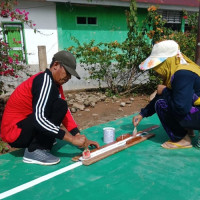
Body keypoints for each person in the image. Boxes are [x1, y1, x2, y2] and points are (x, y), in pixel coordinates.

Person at [0, 50, 99, 165]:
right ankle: (34, 150)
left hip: (24, 127)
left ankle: (42, 140)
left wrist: (78, 136)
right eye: (67, 72)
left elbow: (64, 112)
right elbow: (39, 119)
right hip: (14, 133)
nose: (69, 77)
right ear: (56, 65)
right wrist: (71, 139)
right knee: (58, 106)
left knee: (61, 105)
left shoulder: (55, 84)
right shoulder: (44, 81)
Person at [132, 40, 200, 149]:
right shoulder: (179, 69)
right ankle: (188, 130)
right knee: (172, 97)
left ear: (166, 61)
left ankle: (181, 139)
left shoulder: (182, 74)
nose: (156, 70)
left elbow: (181, 107)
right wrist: (142, 114)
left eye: (158, 65)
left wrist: (164, 91)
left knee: (161, 104)